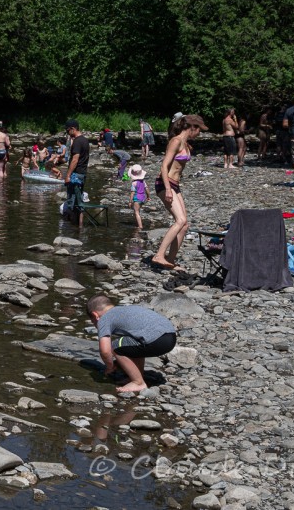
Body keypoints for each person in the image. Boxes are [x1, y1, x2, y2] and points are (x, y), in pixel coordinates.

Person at [150, 114, 207, 270]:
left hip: (175, 185)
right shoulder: (175, 141)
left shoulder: (186, 144)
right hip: (164, 183)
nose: (200, 134)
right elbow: (164, 166)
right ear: (191, 128)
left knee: (184, 225)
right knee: (180, 220)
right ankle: (159, 255)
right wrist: (168, 189)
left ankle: (170, 260)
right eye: (199, 130)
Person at [87, 295, 177, 394]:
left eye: (93, 322)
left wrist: (110, 367)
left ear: (95, 315)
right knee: (131, 343)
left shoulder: (104, 318)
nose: (95, 326)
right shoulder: (125, 310)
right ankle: (137, 376)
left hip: (156, 339)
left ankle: (138, 383)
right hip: (170, 335)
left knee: (115, 346)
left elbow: (105, 350)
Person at [63, 119, 90, 226]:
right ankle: (80, 226)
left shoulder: (77, 141)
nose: (67, 133)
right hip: (83, 173)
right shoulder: (85, 140)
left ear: (73, 129)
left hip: (75, 175)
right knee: (79, 201)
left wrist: (68, 175)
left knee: (72, 201)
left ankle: (72, 226)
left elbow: (75, 159)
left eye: (67, 130)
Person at [128, 164, 148, 230]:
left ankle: (140, 226)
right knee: (138, 211)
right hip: (143, 197)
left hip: (137, 198)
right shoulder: (143, 181)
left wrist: (130, 201)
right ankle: (139, 223)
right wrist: (148, 196)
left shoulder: (134, 183)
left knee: (136, 212)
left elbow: (132, 193)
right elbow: (147, 189)